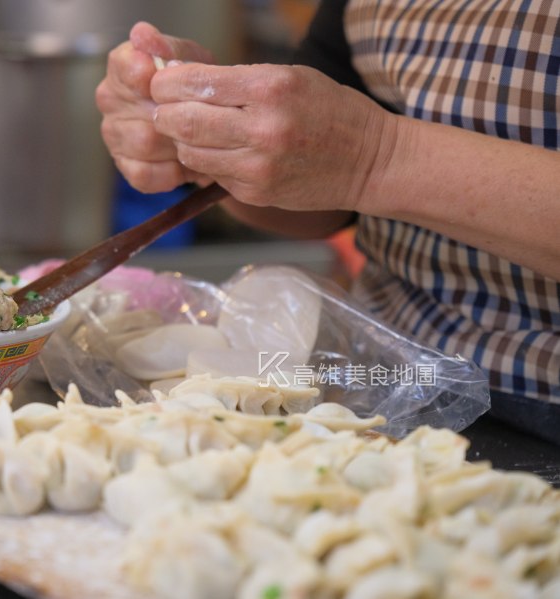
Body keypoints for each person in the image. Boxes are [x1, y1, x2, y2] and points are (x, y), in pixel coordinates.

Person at [95, 5, 560, 443]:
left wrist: (377, 156)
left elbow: (361, 159)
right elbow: (324, 200)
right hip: (379, 393)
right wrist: (216, 145)